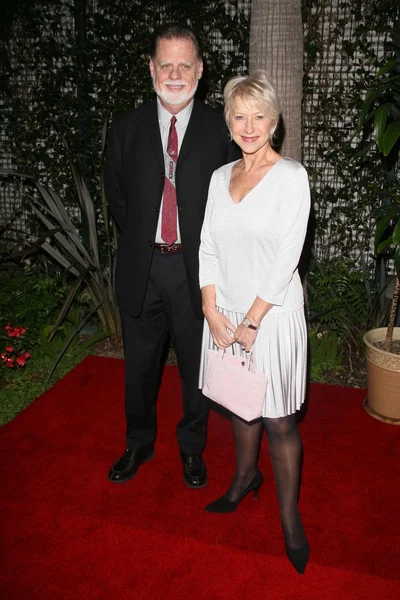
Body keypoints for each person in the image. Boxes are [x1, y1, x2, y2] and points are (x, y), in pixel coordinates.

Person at [103, 24, 240, 488]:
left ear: (200, 70)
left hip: (197, 273)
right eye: (166, 65)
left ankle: (192, 449)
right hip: (143, 269)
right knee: (139, 369)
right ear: (151, 69)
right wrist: (149, 239)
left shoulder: (222, 131)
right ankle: (138, 444)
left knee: (194, 369)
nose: (175, 74)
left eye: (185, 65)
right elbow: (118, 199)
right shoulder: (125, 129)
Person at [198, 71, 310, 574]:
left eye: (258, 115)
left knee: (278, 419)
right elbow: (207, 248)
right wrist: (210, 308)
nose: (249, 125)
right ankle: (245, 479)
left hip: (272, 315)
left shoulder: (292, 178)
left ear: (274, 122)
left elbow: (288, 257)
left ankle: (290, 517)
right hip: (224, 314)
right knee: (240, 407)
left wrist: (251, 321)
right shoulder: (220, 178)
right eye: (239, 116)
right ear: (229, 122)